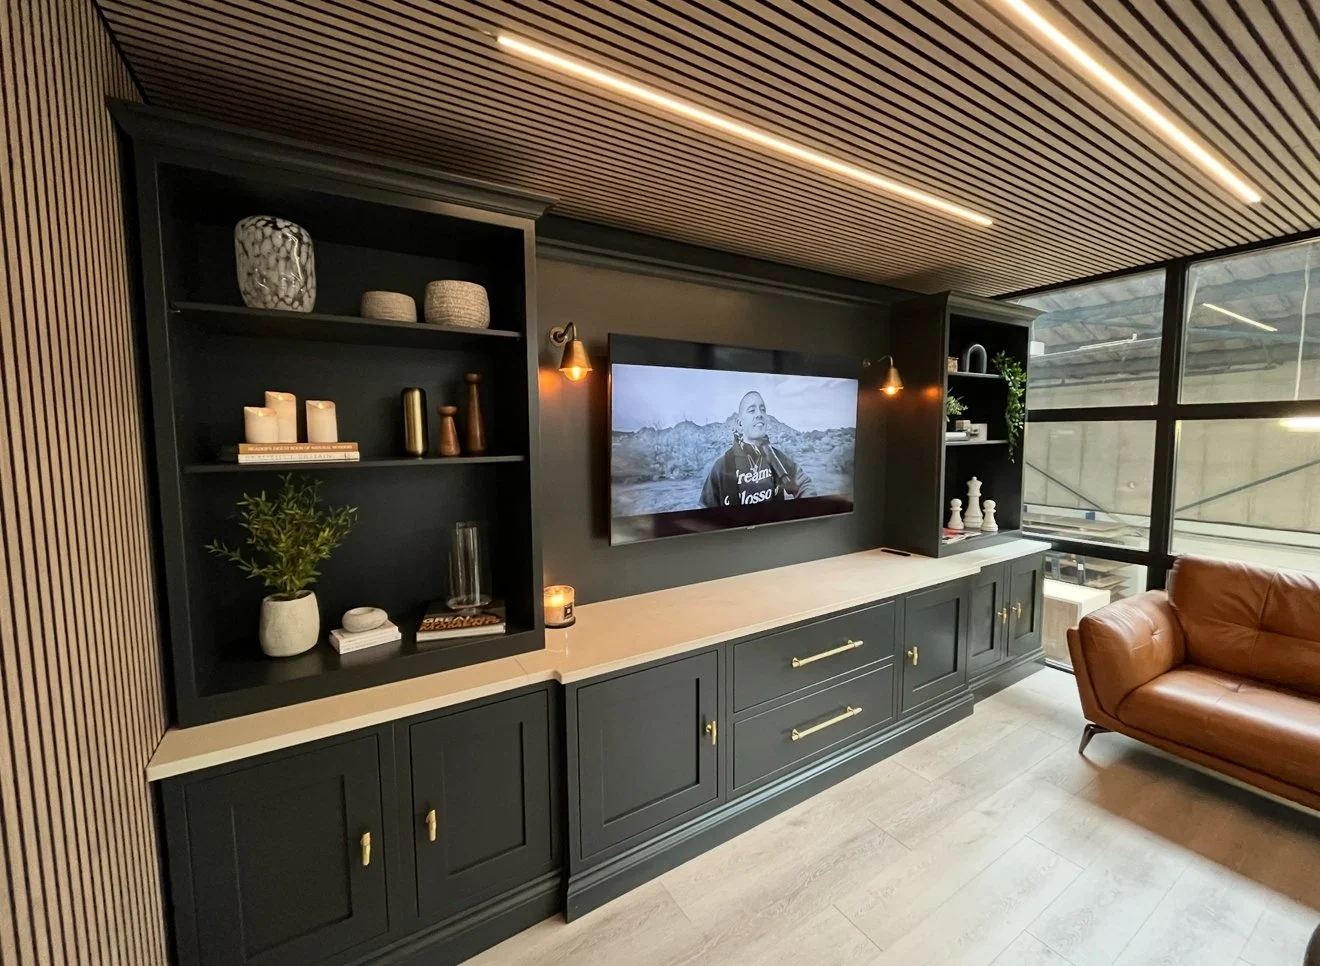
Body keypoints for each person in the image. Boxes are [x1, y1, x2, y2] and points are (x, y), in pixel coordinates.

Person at [700, 390, 816, 507]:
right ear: (740, 424)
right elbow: (704, 510)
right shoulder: (721, 466)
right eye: (752, 410)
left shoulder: (777, 458)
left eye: (763, 409)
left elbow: (804, 484)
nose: (759, 414)